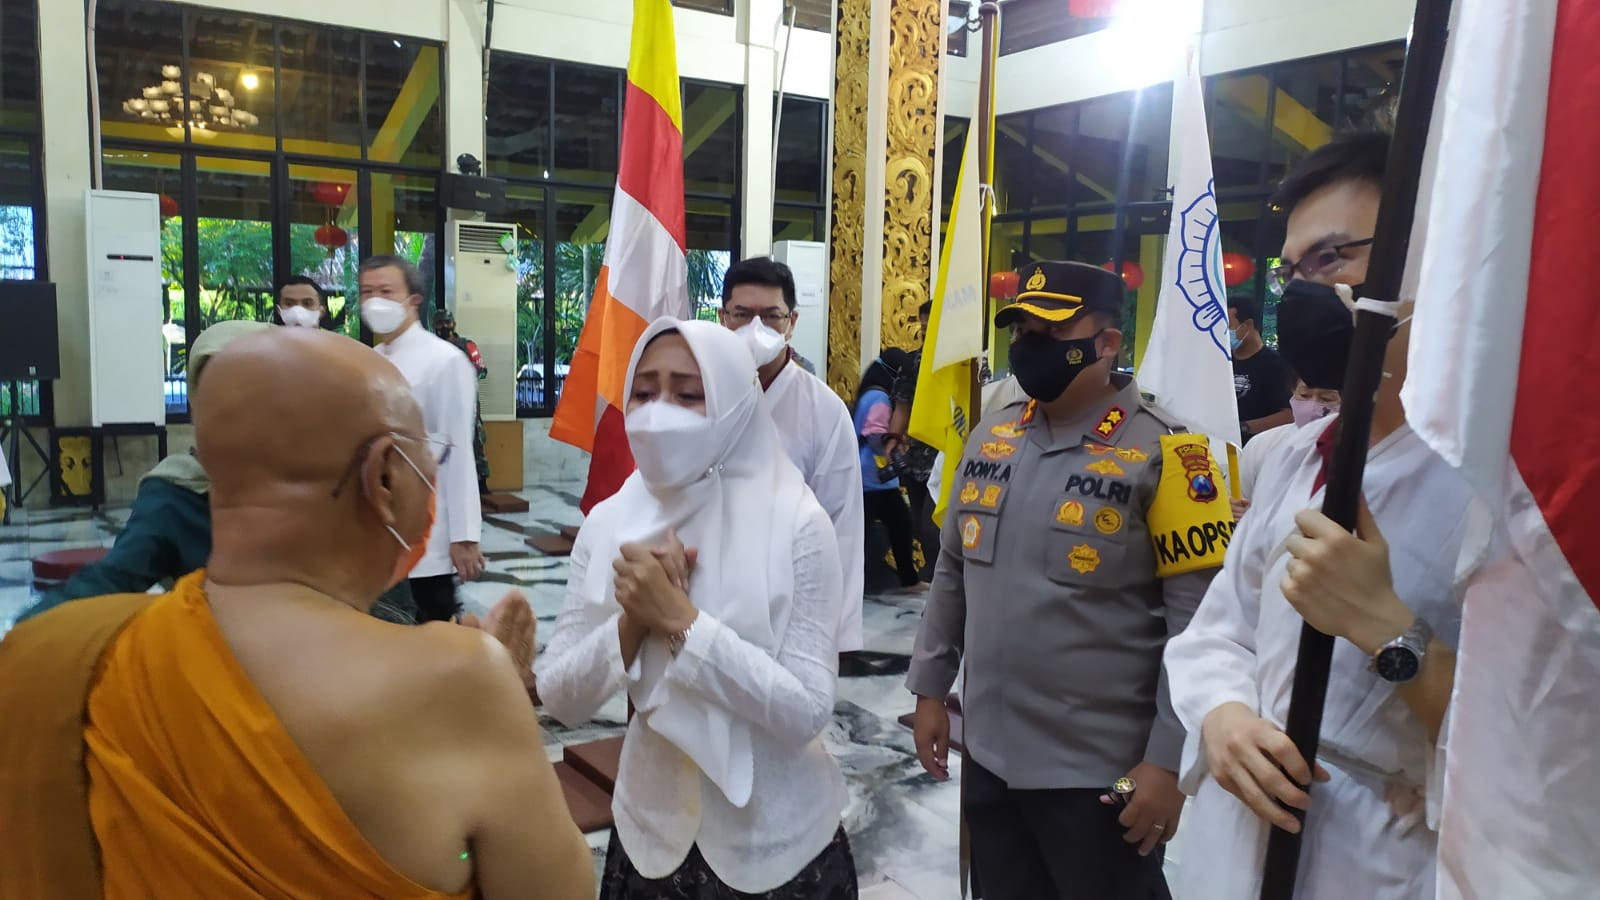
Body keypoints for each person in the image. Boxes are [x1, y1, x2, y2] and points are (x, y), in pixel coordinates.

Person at [0, 327, 593, 899]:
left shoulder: (58, 657)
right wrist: (501, 704)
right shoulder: (462, 681)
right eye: (425, 457)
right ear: (385, 474)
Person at [1164, 131, 1473, 899]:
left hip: (1381, 852)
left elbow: (1545, 748)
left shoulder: (1496, 494)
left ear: (1429, 258)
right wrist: (1225, 719)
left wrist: (1388, 629)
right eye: (1293, 271)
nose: (1304, 294)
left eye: (1333, 260)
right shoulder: (1300, 459)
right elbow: (1218, 629)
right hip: (1236, 839)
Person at [907, 260, 1231, 899]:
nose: (1029, 344)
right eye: (1022, 327)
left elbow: (1201, 627)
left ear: (1106, 344)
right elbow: (952, 571)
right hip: (992, 758)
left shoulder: (1171, 453)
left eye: (1050, 331)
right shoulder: (992, 437)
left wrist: (1167, 763)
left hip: (1104, 777)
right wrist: (929, 687)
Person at [536, 318, 856, 898]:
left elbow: (808, 709)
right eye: (644, 391)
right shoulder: (610, 521)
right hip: (649, 834)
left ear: (736, 403)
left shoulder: (796, 524)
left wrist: (683, 623)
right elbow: (561, 694)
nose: (660, 412)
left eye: (688, 394)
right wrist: (634, 619)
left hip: (777, 845)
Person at [16, 322, 418, 626]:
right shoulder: (174, 493)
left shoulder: (330, 477)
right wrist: (29, 630)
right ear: (197, 406)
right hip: (223, 671)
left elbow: (387, 595)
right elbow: (111, 580)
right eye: (218, 401)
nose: (238, 416)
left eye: (256, 396)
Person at [718, 257, 865, 651]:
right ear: (722, 318)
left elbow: (842, 525)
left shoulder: (824, 411)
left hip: (791, 608)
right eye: (742, 314)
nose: (755, 329)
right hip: (706, 602)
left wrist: (836, 635)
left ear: (792, 322)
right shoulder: (700, 396)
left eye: (771, 317)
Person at [360, 255, 484, 622]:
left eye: (386, 291)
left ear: (413, 300)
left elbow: (459, 450)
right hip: (379, 523)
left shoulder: (445, 360)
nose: (375, 300)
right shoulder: (368, 359)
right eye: (367, 292)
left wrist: (464, 536)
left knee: (431, 626)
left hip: (429, 528)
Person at [855, 349, 923, 594]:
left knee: (895, 527)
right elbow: (874, 435)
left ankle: (906, 581)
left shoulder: (870, 393)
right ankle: (906, 581)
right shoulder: (880, 399)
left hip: (870, 479)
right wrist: (894, 447)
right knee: (900, 526)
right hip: (874, 478)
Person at [1229, 379, 1341, 520]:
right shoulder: (1262, 444)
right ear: (1293, 393)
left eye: (1326, 399)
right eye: (1305, 395)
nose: (1312, 405)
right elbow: (1238, 495)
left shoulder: (1354, 452)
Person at [433, 309, 492, 495]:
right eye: (440, 324)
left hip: (467, 403)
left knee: (476, 443)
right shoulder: (431, 347)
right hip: (441, 405)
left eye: (447, 323)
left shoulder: (467, 346)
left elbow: (481, 369)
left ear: (454, 324)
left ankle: (482, 484)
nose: (444, 327)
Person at [1228, 294, 1293, 444]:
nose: (1224, 332)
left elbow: (1289, 415)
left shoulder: (1276, 365)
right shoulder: (1223, 361)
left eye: (1228, 325)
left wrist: (1243, 427)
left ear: (1248, 325)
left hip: (1257, 448)